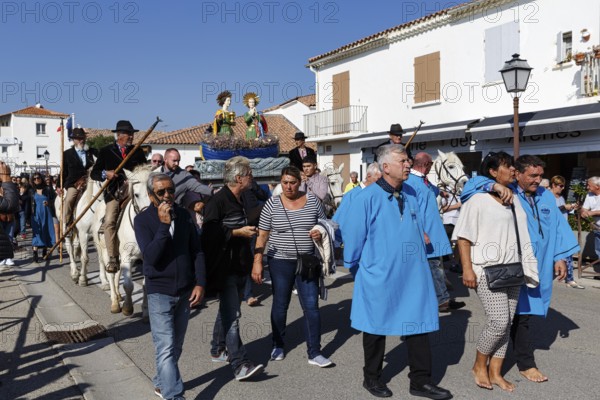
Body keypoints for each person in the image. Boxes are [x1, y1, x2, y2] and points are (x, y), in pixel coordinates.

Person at [338, 144, 451, 399]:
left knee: (418, 324)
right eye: (403, 161)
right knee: (375, 326)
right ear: (386, 167)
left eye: (408, 160)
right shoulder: (365, 198)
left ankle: (420, 381)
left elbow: (424, 218)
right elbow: (354, 240)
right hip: (379, 273)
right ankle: (372, 377)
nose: (408, 164)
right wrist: (359, 268)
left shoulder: (412, 192)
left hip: (413, 274)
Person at [461, 154, 579, 383]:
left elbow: (557, 226)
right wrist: (493, 183)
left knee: (523, 314)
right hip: (512, 263)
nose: (538, 180)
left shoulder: (546, 196)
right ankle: (525, 363)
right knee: (517, 317)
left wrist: (560, 257)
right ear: (518, 173)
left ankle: (497, 368)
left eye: (541, 176)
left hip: (540, 263)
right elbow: (470, 186)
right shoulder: (506, 191)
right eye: (533, 176)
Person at [454, 151, 538, 392]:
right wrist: (467, 269)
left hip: (512, 268)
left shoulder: (515, 200)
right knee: (499, 321)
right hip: (485, 270)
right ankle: (479, 366)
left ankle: (496, 371)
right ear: (492, 172)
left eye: (513, 166)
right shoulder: (477, 200)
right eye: (507, 166)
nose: (513, 170)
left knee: (508, 321)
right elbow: (463, 237)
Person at [251, 166, 333, 367]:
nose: (288, 186)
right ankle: (278, 345)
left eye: (292, 182)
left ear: (300, 182)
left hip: (307, 261)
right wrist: (258, 262)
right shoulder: (272, 204)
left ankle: (315, 352)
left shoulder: (313, 200)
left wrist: (319, 231)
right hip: (279, 261)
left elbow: (326, 223)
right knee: (280, 305)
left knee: (311, 306)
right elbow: (262, 235)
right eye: (284, 182)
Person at [134, 173, 205, 400]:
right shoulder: (143, 221)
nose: (167, 195)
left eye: (171, 190)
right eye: (161, 192)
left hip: (184, 291)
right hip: (159, 292)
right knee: (165, 347)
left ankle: (161, 382)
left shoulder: (184, 215)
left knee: (176, 346)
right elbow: (151, 257)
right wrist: (164, 227)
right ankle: (174, 395)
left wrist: (200, 283)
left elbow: (197, 251)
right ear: (150, 195)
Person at [201, 156, 264, 381]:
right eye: (249, 174)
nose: (252, 177)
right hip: (224, 267)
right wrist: (237, 233)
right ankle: (239, 364)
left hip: (240, 265)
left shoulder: (244, 198)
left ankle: (218, 349)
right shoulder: (217, 202)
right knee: (233, 316)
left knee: (228, 310)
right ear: (239, 178)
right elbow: (208, 234)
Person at [407, 152, 462, 312]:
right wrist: (420, 231)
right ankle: (442, 300)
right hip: (425, 233)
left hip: (432, 232)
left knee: (434, 267)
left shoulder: (423, 181)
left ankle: (435, 298)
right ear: (426, 165)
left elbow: (431, 190)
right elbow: (411, 210)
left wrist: (442, 193)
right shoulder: (410, 182)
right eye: (430, 165)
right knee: (435, 267)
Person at [90, 120, 147, 273]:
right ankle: (113, 257)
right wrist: (105, 174)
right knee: (109, 221)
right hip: (114, 192)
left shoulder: (138, 151)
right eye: (129, 134)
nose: (132, 137)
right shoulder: (106, 151)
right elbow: (94, 173)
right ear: (120, 135)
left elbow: (144, 169)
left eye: (132, 134)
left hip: (134, 190)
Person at [550, 175, 584, 289]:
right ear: (553, 185)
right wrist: (564, 207)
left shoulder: (560, 197)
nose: (562, 188)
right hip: (554, 230)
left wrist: (572, 208)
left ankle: (569, 279)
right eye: (560, 186)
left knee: (568, 254)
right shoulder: (548, 196)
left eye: (563, 186)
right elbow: (551, 212)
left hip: (563, 229)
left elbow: (562, 211)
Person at [60, 128, 95, 225]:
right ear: (74, 140)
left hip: (91, 182)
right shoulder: (67, 154)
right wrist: (59, 186)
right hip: (74, 184)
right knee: (69, 200)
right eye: (78, 138)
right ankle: (67, 223)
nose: (81, 140)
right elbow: (63, 171)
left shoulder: (92, 152)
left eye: (82, 138)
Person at [30, 174, 56, 263]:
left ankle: (44, 252)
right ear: (33, 180)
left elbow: (55, 200)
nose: (36, 179)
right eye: (34, 178)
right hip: (35, 215)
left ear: (41, 179)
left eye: (38, 178)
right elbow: (27, 202)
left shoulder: (48, 189)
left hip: (46, 213)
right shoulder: (31, 191)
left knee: (46, 231)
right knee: (36, 233)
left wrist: (49, 202)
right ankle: (35, 253)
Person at [0, 162, 19, 266]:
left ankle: (8, 257)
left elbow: (14, 201)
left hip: (10, 217)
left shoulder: (10, 185)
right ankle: (2, 258)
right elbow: (6, 203)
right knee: (2, 239)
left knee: (9, 237)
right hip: (1, 216)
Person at [581, 176, 600, 259]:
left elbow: (592, 212)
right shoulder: (589, 195)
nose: (587, 187)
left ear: (597, 186)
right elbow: (584, 208)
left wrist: (593, 212)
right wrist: (583, 212)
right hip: (597, 227)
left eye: (589, 185)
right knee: (598, 250)